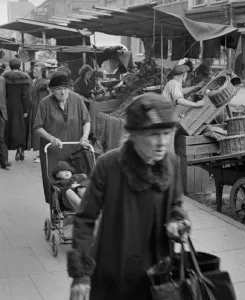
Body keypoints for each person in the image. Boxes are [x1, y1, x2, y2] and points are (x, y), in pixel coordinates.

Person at [67, 93, 191, 300]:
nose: (162, 142)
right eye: (153, 135)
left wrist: (177, 221)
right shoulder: (109, 165)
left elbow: (176, 204)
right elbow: (84, 219)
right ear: (133, 135)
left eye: (167, 133)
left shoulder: (171, 162)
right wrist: (81, 274)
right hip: (113, 272)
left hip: (158, 274)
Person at [33, 71, 91, 204]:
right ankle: (57, 208)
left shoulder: (77, 99)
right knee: (55, 182)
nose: (63, 92)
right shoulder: (45, 103)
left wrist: (84, 136)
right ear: (52, 91)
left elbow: (86, 121)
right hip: (53, 151)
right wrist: (51, 138)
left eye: (66, 89)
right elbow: (38, 127)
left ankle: (80, 207)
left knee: (78, 180)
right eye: (59, 89)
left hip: (75, 149)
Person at [3, 58, 31, 161]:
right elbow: (26, 96)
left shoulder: (4, 78)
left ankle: (5, 152)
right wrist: (26, 110)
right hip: (20, 108)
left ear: (10, 66)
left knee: (8, 129)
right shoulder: (25, 78)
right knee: (20, 128)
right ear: (19, 66)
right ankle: (20, 149)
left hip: (7, 107)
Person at [31, 62, 49, 163]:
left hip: (39, 111)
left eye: (36, 69)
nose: (34, 70)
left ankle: (42, 155)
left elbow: (42, 100)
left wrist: (40, 113)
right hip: (34, 110)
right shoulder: (35, 81)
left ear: (42, 72)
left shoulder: (43, 83)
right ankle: (40, 154)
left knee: (41, 133)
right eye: (34, 69)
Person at [0, 74, 10, 169]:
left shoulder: (2, 79)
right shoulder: (2, 79)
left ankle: (4, 161)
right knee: (1, 138)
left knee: (1, 138)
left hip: (1, 112)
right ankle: (4, 161)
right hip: (2, 112)